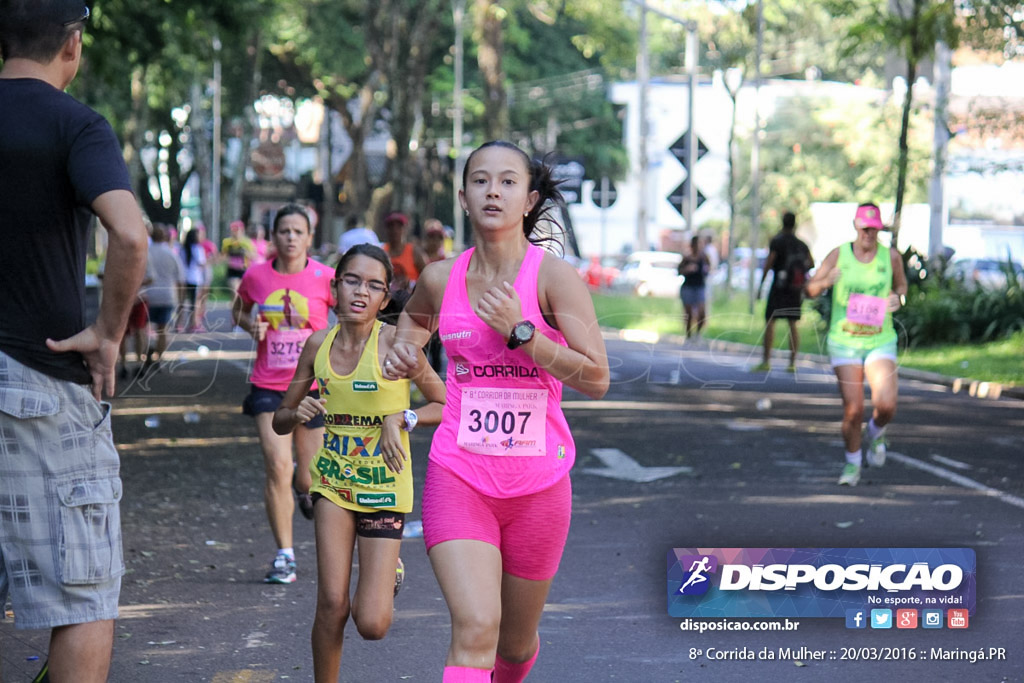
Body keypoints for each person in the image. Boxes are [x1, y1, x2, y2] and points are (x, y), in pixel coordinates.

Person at [382, 140, 610, 682]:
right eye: (481, 180)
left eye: (508, 182)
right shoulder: (441, 278)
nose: (494, 191)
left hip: (539, 485)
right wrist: (405, 352)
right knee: (477, 627)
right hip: (459, 474)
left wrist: (523, 333)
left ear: (529, 200)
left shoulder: (554, 279)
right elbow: (411, 323)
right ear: (463, 197)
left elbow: (597, 378)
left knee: (513, 644)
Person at [0, 3, 148, 681]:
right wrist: (107, 334)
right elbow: (129, 233)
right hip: (39, 381)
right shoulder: (76, 124)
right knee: (84, 596)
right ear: (73, 44)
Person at [272, 244, 445, 683]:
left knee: (372, 624)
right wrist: (299, 413)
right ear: (335, 287)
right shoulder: (317, 344)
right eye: (352, 280)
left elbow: (447, 403)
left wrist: (402, 417)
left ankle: (391, 569)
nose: (361, 292)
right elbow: (279, 419)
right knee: (331, 602)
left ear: (385, 299)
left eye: (374, 285)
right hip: (332, 481)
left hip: (386, 484)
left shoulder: (398, 347)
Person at [232, 204, 335, 583]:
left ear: (309, 238)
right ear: (273, 237)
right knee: (277, 465)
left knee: (309, 477)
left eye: (298, 231)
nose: (291, 237)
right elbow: (239, 309)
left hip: (312, 389)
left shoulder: (327, 277)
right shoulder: (257, 276)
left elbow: (357, 318)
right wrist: (250, 326)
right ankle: (285, 555)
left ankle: (302, 488)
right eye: (284, 231)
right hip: (267, 385)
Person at [804, 203, 907, 487]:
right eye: (864, 228)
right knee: (854, 410)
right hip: (845, 341)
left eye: (874, 229)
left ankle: (875, 432)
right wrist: (826, 280)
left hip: (879, 339)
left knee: (886, 405)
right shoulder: (840, 254)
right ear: (856, 226)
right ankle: (852, 465)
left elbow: (901, 287)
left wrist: (899, 299)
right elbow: (810, 289)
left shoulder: (891, 257)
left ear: (879, 230)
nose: (869, 234)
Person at [754, 211, 813, 372]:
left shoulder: (777, 241)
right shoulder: (801, 244)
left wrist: (761, 285)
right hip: (794, 289)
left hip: (779, 287)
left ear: (782, 222)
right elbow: (811, 263)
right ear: (795, 224)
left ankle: (766, 361)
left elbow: (769, 263)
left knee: (770, 322)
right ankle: (792, 363)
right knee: (793, 324)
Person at [143, 223, 186, 371]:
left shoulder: (145, 252)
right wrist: (181, 300)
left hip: (147, 295)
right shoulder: (171, 254)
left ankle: (147, 350)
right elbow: (180, 279)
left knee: (144, 327)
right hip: (167, 295)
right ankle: (159, 359)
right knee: (163, 330)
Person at [678, 235, 711, 342]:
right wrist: (687, 269)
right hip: (688, 287)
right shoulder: (687, 257)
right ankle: (688, 336)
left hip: (700, 286)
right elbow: (679, 271)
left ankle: (698, 334)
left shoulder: (704, 257)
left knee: (702, 312)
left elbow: (709, 268)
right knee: (689, 313)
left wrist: (705, 271)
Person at [180, 227, 207, 333]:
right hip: (195, 278)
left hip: (185, 278)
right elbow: (201, 263)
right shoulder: (197, 248)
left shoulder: (183, 248)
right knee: (195, 303)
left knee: (182, 302)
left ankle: (180, 324)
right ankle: (194, 323)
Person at [222, 219, 255, 293]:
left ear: (242, 231)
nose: (235, 232)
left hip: (243, 270)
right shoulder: (227, 242)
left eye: (237, 230)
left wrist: (245, 252)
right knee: (235, 290)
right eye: (233, 230)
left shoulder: (247, 242)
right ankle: (235, 303)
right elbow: (224, 255)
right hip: (232, 270)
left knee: (241, 293)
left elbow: (254, 256)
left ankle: (235, 304)